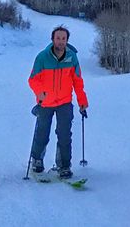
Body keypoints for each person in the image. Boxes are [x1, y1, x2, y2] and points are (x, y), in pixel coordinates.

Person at [27, 25, 89, 179]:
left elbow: (78, 81)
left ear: (67, 40)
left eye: (63, 38)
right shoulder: (42, 57)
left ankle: (64, 166)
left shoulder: (72, 57)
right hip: (45, 103)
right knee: (42, 133)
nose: (61, 41)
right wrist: (40, 93)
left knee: (64, 135)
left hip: (64, 102)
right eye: (58, 38)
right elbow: (33, 79)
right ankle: (37, 160)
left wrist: (82, 101)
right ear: (53, 39)